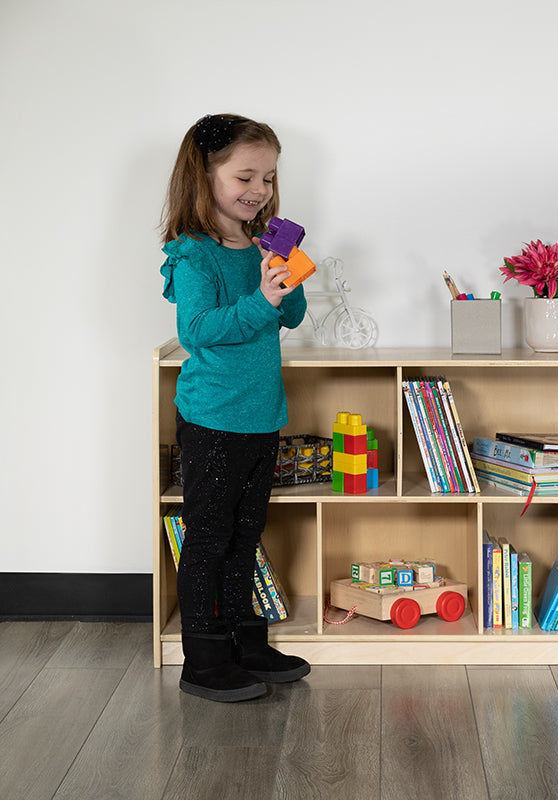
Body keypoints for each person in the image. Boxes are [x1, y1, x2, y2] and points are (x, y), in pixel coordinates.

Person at [160, 113, 310, 702]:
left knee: (247, 535)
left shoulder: (262, 244)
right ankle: (203, 658)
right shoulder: (194, 254)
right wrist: (261, 297)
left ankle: (246, 642)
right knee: (208, 537)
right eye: (246, 175)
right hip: (213, 417)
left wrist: (286, 279)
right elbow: (198, 329)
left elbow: (290, 319)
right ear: (205, 175)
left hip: (261, 413)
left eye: (269, 178)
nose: (260, 190)